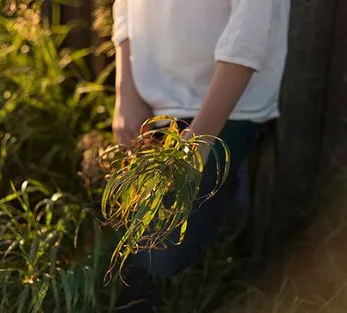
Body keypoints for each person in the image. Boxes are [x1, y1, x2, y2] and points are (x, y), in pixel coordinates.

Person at [111, 0, 290, 312]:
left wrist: (195, 145)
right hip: (151, 103)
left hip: (224, 109)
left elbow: (249, 32)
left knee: (158, 262)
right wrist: (125, 93)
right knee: (122, 257)